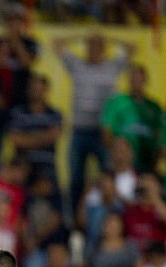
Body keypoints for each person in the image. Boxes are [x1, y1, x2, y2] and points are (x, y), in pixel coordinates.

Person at [53, 33, 133, 213]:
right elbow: (56, 43)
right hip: (79, 131)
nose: (94, 50)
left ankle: (109, 217)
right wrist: (82, 37)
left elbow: (132, 48)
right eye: (91, 46)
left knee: (108, 176)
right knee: (76, 178)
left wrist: (108, 38)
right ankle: (74, 220)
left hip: (103, 132)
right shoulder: (77, 65)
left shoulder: (112, 66)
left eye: (98, 47)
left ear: (104, 50)